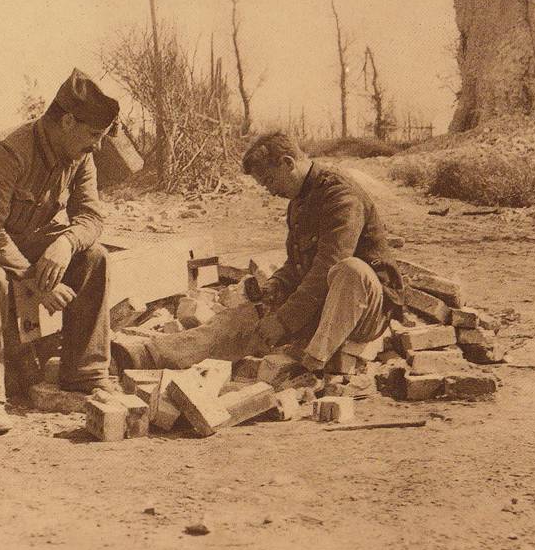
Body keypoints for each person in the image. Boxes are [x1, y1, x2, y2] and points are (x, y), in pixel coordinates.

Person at [0, 68, 120, 435]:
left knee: (95, 256)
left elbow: (91, 216)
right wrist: (35, 279)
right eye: (93, 135)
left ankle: (84, 374)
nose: (97, 145)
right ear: (67, 121)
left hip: (19, 235)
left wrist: (66, 242)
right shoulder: (7, 151)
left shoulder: (80, 156)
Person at [111, 131, 403, 375]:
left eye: (269, 181)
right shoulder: (298, 200)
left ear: (287, 163)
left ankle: (311, 367)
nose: (269, 191)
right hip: (317, 309)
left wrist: (284, 320)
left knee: (350, 270)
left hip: (363, 312)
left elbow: (327, 267)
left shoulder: (340, 196)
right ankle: (148, 355)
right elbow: (297, 265)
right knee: (237, 320)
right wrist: (274, 288)